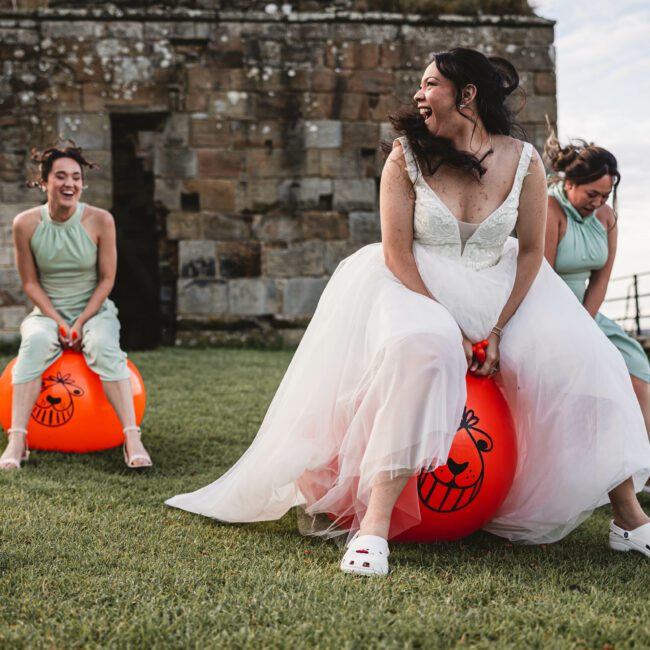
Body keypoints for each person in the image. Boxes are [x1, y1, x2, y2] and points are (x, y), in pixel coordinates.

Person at [166, 48, 650, 575]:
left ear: (467, 95)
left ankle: (628, 519)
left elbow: (531, 252)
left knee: (584, 355)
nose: (418, 96)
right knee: (421, 345)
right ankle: (374, 526)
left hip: (503, 287)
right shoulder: (405, 156)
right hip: (413, 282)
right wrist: (455, 328)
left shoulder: (525, 160)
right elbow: (396, 251)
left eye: (429, 85)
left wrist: (498, 328)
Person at [0, 142, 152, 470]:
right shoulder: (25, 224)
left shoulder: (101, 221)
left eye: (76, 177)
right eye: (60, 176)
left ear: (83, 183)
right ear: (44, 182)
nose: (70, 183)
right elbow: (29, 283)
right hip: (47, 312)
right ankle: (17, 441)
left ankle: (131, 438)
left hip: (94, 311)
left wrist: (82, 321)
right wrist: (57, 321)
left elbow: (106, 280)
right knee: (35, 342)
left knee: (102, 344)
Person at [544, 134, 650, 459]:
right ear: (570, 182)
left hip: (588, 313)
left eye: (605, 195)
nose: (598, 202)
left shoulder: (606, 216)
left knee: (639, 375)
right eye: (592, 194)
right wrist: (573, 330)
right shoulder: (549, 208)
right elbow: (542, 278)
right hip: (549, 312)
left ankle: (640, 467)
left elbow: (600, 281)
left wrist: (586, 324)